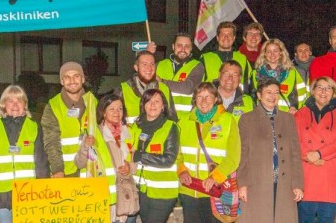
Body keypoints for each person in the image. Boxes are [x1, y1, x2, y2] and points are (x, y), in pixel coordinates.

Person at [237, 79, 304, 223]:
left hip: (284, 182)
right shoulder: (247, 119)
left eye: (276, 92)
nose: (273, 96)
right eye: (268, 92)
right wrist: (242, 183)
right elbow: (243, 154)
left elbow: (295, 154)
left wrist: (298, 184)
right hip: (257, 182)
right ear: (259, 95)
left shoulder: (288, 119)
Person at [177, 83, 240, 223]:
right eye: (199, 97)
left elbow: (233, 157)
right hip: (189, 190)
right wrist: (181, 171)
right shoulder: (184, 121)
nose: (203, 101)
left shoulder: (228, 120)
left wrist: (215, 178)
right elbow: (177, 154)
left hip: (214, 191)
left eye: (207, 96)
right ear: (194, 100)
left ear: (215, 98)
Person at [0, 85, 49, 222]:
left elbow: (41, 162)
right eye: (10, 101)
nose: (15, 105)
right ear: (3, 104)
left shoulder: (34, 127)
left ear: (25, 105)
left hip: (27, 194)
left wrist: (43, 191)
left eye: (19, 101)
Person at [294, 77, 336, 223]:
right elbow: (292, 140)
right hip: (307, 173)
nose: (323, 91)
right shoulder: (300, 114)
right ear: (313, 91)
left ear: (334, 93)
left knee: (326, 219)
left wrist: (320, 154)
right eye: (319, 87)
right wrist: (308, 156)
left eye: (328, 88)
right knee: (304, 218)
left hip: (329, 174)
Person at [75, 94, 136, 223]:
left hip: (127, 197)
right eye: (112, 109)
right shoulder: (94, 134)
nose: (117, 112)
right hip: (104, 200)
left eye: (120, 109)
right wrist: (86, 145)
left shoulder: (131, 132)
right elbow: (79, 163)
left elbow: (141, 161)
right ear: (103, 112)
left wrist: (130, 167)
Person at [41, 61, 103, 177]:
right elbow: (51, 142)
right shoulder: (53, 106)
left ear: (83, 79)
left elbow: (102, 133)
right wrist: (58, 170)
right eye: (67, 77)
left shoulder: (93, 102)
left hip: (91, 169)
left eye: (76, 76)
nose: (72, 81)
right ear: (61, 81)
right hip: (66, 172)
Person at [126, 89, 179, 223]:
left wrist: (140, 156)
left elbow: (169, 160)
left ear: (163, 106)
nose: (152, 104)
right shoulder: (136, 127)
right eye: (148, 101)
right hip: (141, 190)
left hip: (162, 191)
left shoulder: (170, 127)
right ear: (143, 105)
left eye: (157, 101)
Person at [115, 51, 176, 124]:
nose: (149, 68)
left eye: (152, 64)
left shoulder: (164, 89)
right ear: (136, 67)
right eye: (145, 64)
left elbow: (172, 121)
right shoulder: (122, 90)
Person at [154, 33, 205, 121]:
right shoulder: (159, 65)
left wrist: (162, 81)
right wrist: (148, 54)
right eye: (179, 45)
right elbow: (141, 74)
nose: (183, 49)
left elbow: (188, 88)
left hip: (186, 121)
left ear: (191, 49)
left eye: (187, 46)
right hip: (161, 120)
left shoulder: (197, 66)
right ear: (173, 46)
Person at [251, 38, 307, 113]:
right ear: (264, 54)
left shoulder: (291, 72)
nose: (272, 54)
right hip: (262, 115)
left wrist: (295, 107)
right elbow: (252, 96)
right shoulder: (256, 74)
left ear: (281, 52)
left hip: (286, 115)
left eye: (275, 51)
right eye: (269, 51)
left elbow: (301, 93)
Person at [201, 22, 252, 91]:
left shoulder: (242, 58)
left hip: (236, 100)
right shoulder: (205, 58)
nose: (226, 37)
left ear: (234, 38)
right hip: (212, 100)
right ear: (217, 38)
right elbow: (198, 85)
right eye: (223, 35)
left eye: (229, 35)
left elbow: (246, 85)